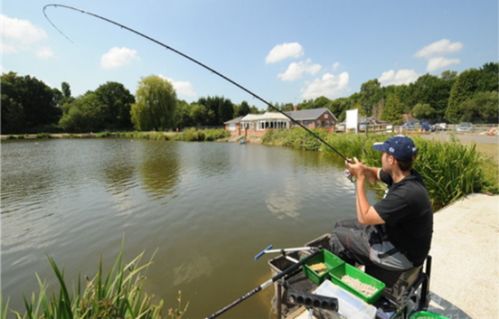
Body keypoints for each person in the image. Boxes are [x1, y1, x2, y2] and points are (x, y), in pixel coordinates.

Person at [329, 135, 433, 271]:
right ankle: (358, 261)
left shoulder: (406, 193)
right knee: (339, 225)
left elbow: (365, 217)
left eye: (383, 153)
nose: (381, 156)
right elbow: (376, 173)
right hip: (395, 237)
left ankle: (348, 278)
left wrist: (359, 179)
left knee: (337, 237)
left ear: (391, 160)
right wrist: (362, 169)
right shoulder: (405, 175)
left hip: (402, 256)